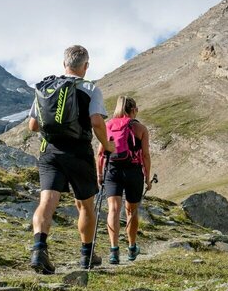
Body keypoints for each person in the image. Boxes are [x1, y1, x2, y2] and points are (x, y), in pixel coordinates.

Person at [27, 45, 114, 274]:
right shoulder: (89, 88)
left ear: (64, 63)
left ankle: (39, 249)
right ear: (86, 65)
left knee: (47, 202)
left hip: (50, 152)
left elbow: (33, 125)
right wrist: (107, 145)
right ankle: (86, 255)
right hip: (78, 152)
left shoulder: (45, 87)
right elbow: (96, 122)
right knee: (85, 205)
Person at [97, 96, 152, 264]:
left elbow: (100, 153)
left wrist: (99, 175)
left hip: (112, 170)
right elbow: (145, 155)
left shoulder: (108, 126)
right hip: (133, 171)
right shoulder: (140, 128)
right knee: (131, 211)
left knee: (113, 209)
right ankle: (131, 247)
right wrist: (147, 178)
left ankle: (114, 251)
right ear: (133, 109)